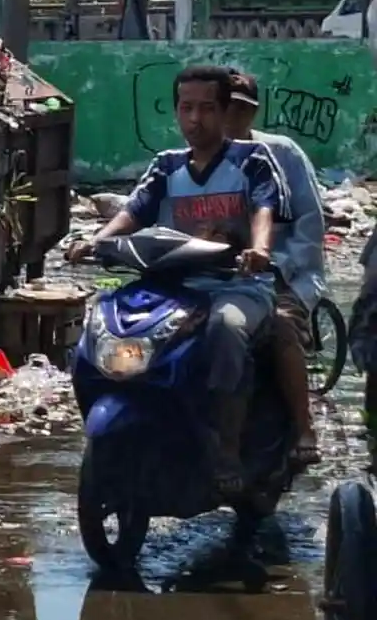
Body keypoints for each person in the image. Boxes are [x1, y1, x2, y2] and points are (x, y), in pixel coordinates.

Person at [67, 65, 292, 490]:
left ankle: (226, 446)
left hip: (236, 285)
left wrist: (259, 250)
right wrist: (96, 241)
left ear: (225, 112)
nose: (195, 119)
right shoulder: (167, 166)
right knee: (108, 318)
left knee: (226, 329)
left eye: (207, 109)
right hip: (173, 288)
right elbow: (134, 211)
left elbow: (264, 209)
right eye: (186, 108)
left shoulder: (252, 160)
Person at [223, 70, 326, 466]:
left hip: (285, 274)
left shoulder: (282, 154)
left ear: (254, 113)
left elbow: (310, 225)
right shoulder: (195, 158)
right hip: (216, 277)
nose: (233, 119)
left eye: (242, 110)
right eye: (225, 108)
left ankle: (303, 424)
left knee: (280, 324)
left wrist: (278, 265)